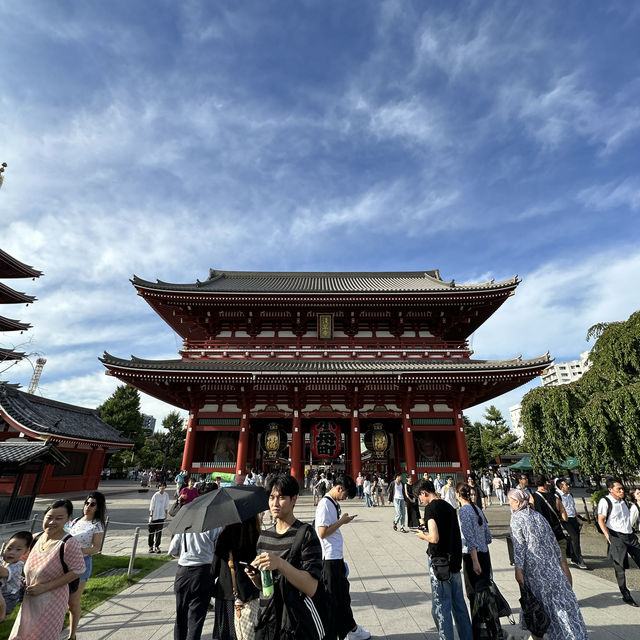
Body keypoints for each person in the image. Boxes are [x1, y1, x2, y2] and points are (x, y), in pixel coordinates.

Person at [249, 474, 325, 639]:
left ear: (293, 500)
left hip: (293, 621)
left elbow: (311, 587)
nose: (275, 503)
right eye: (271, 497)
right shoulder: (264, 537)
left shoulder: (305, 534)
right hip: (266, 618)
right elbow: (264, 586)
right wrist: (255, 577)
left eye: (281, 498)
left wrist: (281, 564)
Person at [508, 488, 587, 640]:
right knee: (557, 603)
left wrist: (518, 569)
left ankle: (541, 634)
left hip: (533, 568)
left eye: (510, 500)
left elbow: (519, 547)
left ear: (517, 502)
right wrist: (559, 562)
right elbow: (552, 542)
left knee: (537, 603)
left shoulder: (517, 519)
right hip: (550, 566)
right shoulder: (538, 516)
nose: (509, 503)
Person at [10, 500, 85, 640]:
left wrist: (45, 587)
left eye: (59, 518)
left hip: (52, 604)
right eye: (49, 517)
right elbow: (20, 560)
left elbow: (78, 570)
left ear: (68, 519)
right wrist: (19, 578)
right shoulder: (35, 538)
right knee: (19, 635)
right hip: (29, 601)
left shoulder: (69, 543)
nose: (52, 522)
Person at [314, 473, 371, 640]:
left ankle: (349, 630)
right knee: (334, 599)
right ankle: (342, 632)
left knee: (341, 597)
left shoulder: (332, 502)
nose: (344, 498)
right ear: (339, 488)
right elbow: (322, 532)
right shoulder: (325, 504)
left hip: (335, 557)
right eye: (345, 494)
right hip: (329, 559)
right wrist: (342, 521)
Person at [416, 479, 472, 640]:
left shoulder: (431, 509)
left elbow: (434, 538)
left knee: (441, 606)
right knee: (459, 604)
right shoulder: (448, 506)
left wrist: (422, 535)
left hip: (439, 562)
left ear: (424, 493)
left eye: (420, 497)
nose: (420, 500)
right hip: (454, 560)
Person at [456, 483, 502, 640]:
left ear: (457, 494)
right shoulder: (478, 510)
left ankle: (478, 631)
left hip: (472, 557)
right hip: (485, 554)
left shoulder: (464, 511)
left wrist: (474, 561)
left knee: (474, 595)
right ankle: (491, 629)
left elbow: (469, 539)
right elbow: (488, 537)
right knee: (485, 593)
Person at [170, 526, 222, 640]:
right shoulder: (215, 527)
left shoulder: (183, 527)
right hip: (203, 572)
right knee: (196, 618)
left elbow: (173, 551)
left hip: (183, 572)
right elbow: (219, 551)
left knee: (180, 616)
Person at [68, 491, 107, 640]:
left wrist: (78, 550)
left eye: (92, 504)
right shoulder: (76, 520)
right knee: (61, 600)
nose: (88, 507)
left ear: (98, 507)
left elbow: (96, 548)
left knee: (73, 602)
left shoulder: (97, 525)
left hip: (81, 563)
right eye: (86, 503)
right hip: (66, 562)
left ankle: (72, 635)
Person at [597, 477, 640, 606]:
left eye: (622, 488)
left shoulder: (624, 502)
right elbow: (601, 520)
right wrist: (608, 536)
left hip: (630, 536)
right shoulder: (605, 501)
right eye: (619, 489)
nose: (622, 491)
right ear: (610, 490)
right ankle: (625, 594)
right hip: (616, 537)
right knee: (620, 568)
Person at [531, 474, 572, 586]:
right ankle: (570, 593)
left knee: (547, 565)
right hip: (558, 534)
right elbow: (565, 516)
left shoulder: (532, 498)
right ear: (546, 483)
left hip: (543, 537)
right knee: (563, 564)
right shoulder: (556, 498)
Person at [0, 531, 32, 620]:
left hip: (8, 600)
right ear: (4, 548)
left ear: (25, 552)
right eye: (9, 549)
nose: (12, 552)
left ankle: (2, 615)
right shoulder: (4, 561)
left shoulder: (18, 565)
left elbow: (2, 572)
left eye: (18, 550)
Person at [556, 479, 587, 569]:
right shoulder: (557, 496)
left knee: (576, 539)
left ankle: (574, 557)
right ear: (561, 487)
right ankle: (578, 558)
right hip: (565, 519)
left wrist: (578, 519)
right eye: (566, 485)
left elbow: (572, 508)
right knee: (574, 537)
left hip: (573, 518)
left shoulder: (570, 495)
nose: (568, 486)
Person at [148, 481, 170, 553]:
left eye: (163, 486)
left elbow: (166, 505)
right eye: (161, 486)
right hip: (154, 516)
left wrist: (166, 514)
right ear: (158, 487)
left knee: (159, 532)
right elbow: (152, 506)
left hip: (161, 516)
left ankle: (157, 546)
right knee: (151, 532)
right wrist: (151, 516)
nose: (162, 487)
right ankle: (150, 546)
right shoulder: (155, 495)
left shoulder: (166, 495)